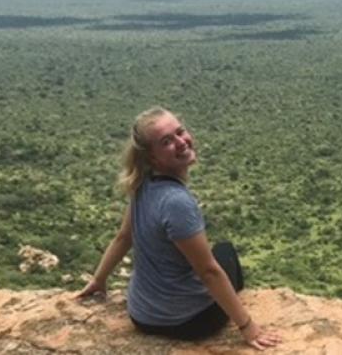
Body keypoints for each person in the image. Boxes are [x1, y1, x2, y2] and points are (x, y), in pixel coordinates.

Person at [78, 106, 280, 350]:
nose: (181, 142)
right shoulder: (177, 202)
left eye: (180, 132)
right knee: (225, 253)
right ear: (152, 157)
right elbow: (208, 272)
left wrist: (99, 280)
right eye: (166, 141)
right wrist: (248, 327)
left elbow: (123, 237)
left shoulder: (143, 185)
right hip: (187, 322)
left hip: (140, 315)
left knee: (214, 256)